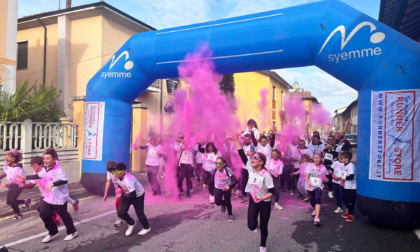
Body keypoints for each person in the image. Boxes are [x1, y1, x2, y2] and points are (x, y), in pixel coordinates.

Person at [21, 148, 77, 243]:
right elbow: (38, 176)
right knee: (43, 213)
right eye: (44, 158)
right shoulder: (44, 169)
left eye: (48, 158)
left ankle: (72, 231)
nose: (45, 160)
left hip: (60, 197)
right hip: (49, 197)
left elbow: (64, 180)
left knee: (64, 215)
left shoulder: (58, 169)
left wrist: (53, 184)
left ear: (54, 160)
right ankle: (53, 231)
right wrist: (26, 177)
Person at [235, 134, 274, 252]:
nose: (252, 158)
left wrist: (262, 199)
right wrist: (235, 140)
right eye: (253, 157)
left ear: (261, 162)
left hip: (265, 202)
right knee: (251, 226)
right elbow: (242, 154)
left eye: (256, 158)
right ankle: (254, 226)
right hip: (253, 199)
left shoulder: (266, 175)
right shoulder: (250, 168)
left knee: (264, 225)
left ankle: (263, 245)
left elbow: (272, 192)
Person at [110, 162, 151, 236]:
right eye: (113, 172)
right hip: (128, 193)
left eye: (116, 172)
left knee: (140, 214)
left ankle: (147, 228)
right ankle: (131, 223)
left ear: (123, 172)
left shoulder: (128, 180)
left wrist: (122, 195)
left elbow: (133, 194)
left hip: (138, 195)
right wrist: (119, 191)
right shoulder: (117, 177)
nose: (114, 174)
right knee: (121, 212)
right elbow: (120, 184)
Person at [43, 148, 79, 212]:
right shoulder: (47, 163)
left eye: (46, 153)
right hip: (53, 186)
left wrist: (53, 184)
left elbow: (63, 179)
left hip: (59, 185)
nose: (45, 158)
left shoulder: (56, 166)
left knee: (64, 197)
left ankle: (74, 203)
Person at [0, 151, 31, 220]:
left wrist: (7, 184)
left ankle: (18, 214)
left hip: (18, 186)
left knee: (12, 200)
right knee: (9, 202)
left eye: (7, 159)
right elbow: (6, 173)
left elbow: (20, 181)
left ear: (13, 159)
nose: (5, 161)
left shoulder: (19, 169)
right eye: (4, 159)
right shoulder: (7, 166)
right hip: (11, 185)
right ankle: (26, 201)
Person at [305, 153, 329, 226]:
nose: (316, 159)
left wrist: (326, 179)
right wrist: (308, 182)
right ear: (313, 158)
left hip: (319, 186)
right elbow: (306, 176)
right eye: (315, 158)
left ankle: (317, 218)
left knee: (317, 198)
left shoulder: (323, 168)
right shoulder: (309, 166)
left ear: (321, 159)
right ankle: (314, 209)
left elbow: (324, 177)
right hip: (310, 186)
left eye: (318, 158)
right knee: (312, 200)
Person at [213, 157, 237, 221]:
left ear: (224, 164)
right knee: (217, 202)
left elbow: (235, 180)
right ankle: (223, 203)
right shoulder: (215, 170)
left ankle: (230, 214)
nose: (217, 165)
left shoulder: (227, 170)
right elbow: (211, 178)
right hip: (218, 187)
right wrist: (205, 182)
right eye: (216, 163)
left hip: (226, 187)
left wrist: (229, 186)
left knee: (228, 201)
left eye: (219, 163)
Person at [103, 160, 123, 227]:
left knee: (119, 203)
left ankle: (121, 217)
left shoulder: (119, 170)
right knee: (118, 203)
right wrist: (105, 194)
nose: (111, 173)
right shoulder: (109, 171)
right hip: (117, 188)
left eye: (112, 171)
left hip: (123, 187)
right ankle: (119, 217)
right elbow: (108, 182)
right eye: (109, 171)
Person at [340, 151, 357, 222]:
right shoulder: (344, 165)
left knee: (350, 201)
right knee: (344, 198)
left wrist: (343, 177)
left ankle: (351, 214)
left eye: (341, 158)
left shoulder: (351, 166)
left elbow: (351, 176)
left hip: (352, 187)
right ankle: (348, 210)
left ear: (347, 159)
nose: (340, 159)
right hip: (346, 186)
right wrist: (342, 181)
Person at [238, 134, 256, 203]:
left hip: (251, 167)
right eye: (244, 139)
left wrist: (253, 153)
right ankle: (244, 195)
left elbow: (257, 154)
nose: (244, 141)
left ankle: (253, 195)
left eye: (246, 140)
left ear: (250, 140)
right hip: (243, 166)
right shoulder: (242, 145)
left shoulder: (252, 146)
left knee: (252, 182)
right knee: (243, 182)